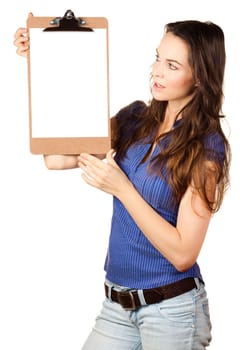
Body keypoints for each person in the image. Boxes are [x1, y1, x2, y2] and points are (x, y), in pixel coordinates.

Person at [14, 17, 231, 350]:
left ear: (200, 76)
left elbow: (184, 253)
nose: (157, 71)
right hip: (117, 306)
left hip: (173, 312)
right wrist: (43, 62)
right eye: (157, 58)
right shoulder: (135, 120)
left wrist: (122, 189)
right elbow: (56, 158)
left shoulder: (206, 146)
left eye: (171, 65)